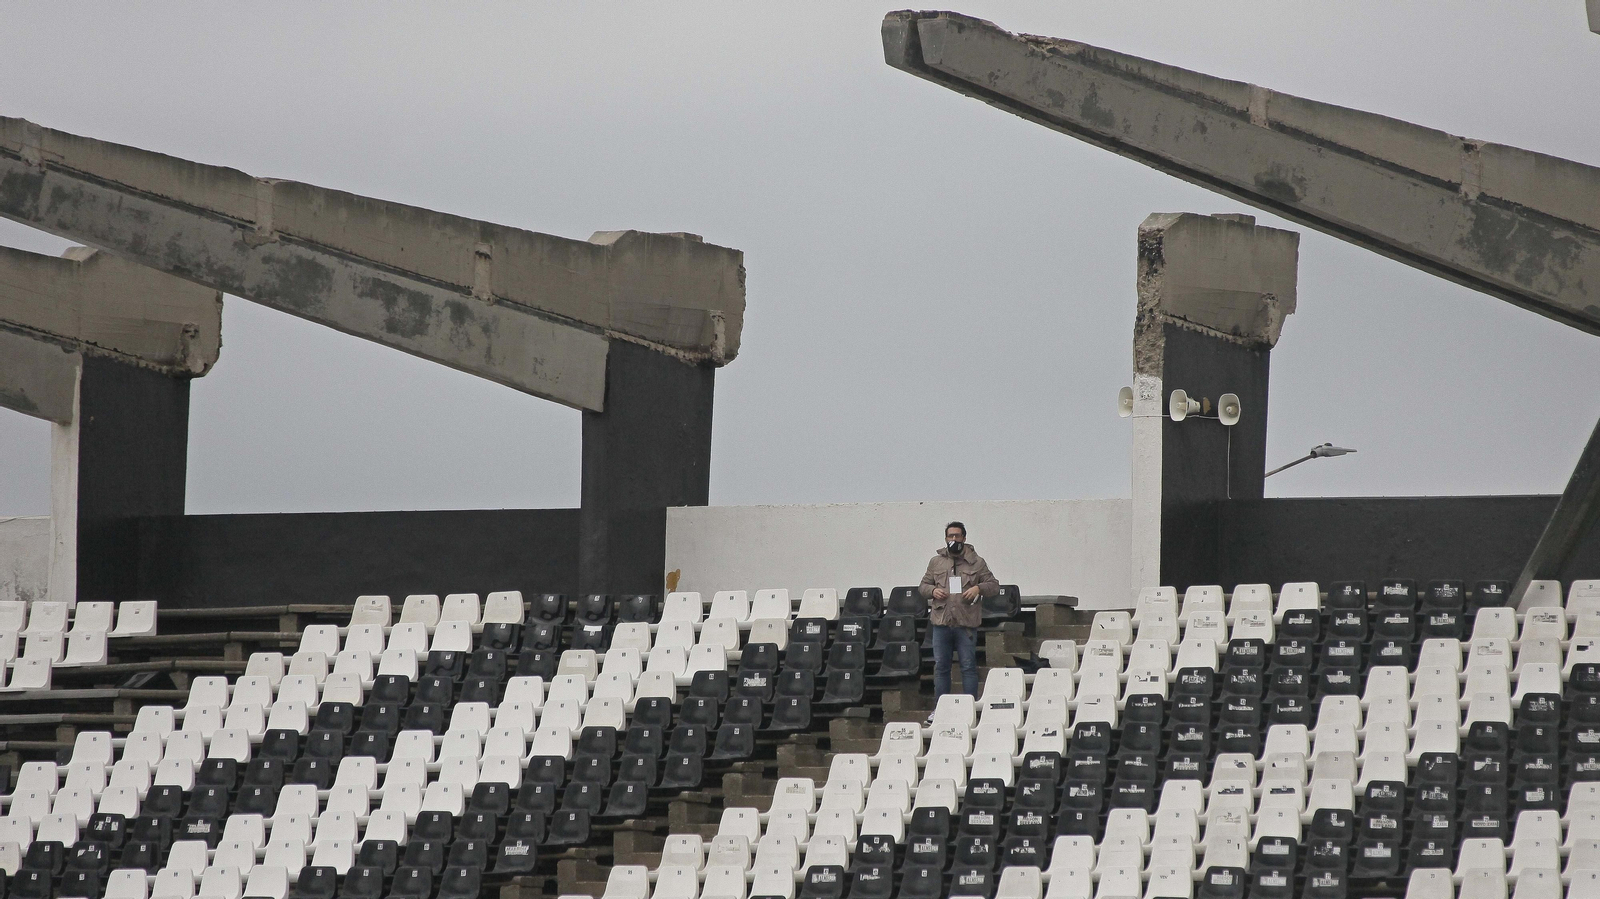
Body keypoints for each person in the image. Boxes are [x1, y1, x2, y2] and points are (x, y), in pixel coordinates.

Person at [918, 521, 1000, 723]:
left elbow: (994, 585)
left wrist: (978, 588)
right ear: (945, 538)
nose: (953, 540)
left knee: (968, 666)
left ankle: (970, 708)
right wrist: (932, 591)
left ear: (964, 537)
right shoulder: (936, 562)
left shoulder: (976, 562)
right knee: (941, 667)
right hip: (941, 622)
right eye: (950, 536)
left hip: (966, 623)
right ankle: (939, 709)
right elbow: (923, 585)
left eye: (957, 536)